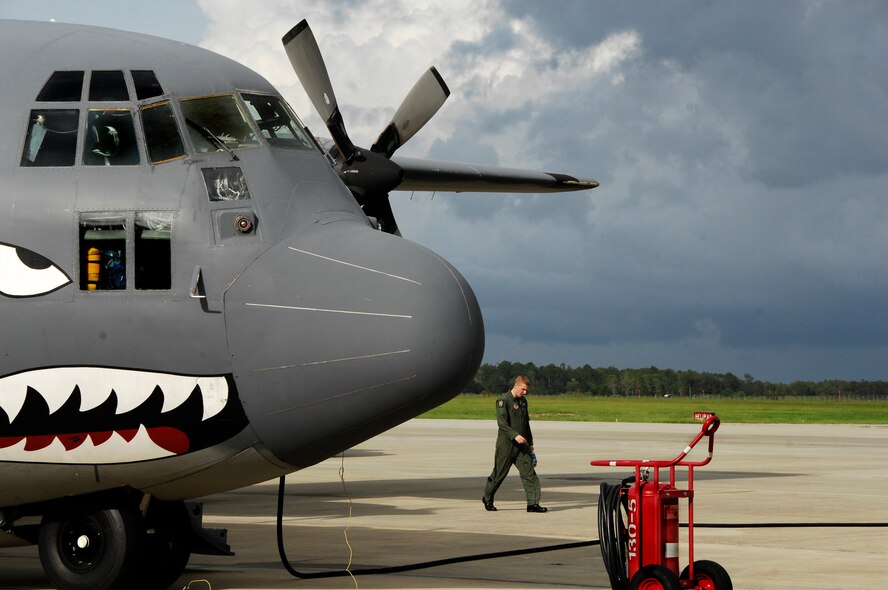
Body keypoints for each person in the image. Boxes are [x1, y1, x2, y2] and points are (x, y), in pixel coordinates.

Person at [481, 375, 547, 513]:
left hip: (522, 446)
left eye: (526, 390)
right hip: (506, 445)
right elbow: (502, 424)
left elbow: (526, 424)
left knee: (529, 473)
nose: (525, 392)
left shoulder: (523, 402)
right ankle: (487, 498)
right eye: (523, 389)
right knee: (499, 474)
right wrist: (515, 435)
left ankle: (533, 504)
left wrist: (530, 442)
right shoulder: (503, 400)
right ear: (516, 385)